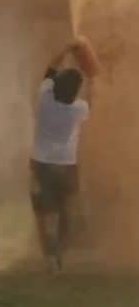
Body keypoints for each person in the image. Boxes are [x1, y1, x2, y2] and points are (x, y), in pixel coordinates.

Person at [30, 39, 95, 273]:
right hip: (66, 168)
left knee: (46, 213)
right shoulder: (77, 109)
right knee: (66, 212)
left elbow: (51, 68)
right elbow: (91, 98)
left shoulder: (44, 98)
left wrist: (66, 48)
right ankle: (59, 253)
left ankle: (51, 256)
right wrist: (89, 72)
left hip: (41, 166)